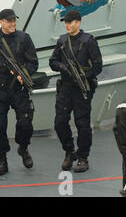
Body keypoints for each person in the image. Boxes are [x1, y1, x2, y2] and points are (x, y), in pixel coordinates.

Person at [49, 10, 103, 173]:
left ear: (78, 23)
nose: (67, 25)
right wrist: (63, 68)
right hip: (65, 88)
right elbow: (53, 61)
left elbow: (98, 66)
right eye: (65, 22)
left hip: (82, 89)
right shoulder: (62, 41)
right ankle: (69, 151)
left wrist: (83, 76)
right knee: (59, 122)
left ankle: (82, 158)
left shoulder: (89, 42)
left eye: (70, 22)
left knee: (82, 125)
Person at [0, 9, 38, 176]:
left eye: (14, 20)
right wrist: (1, 66)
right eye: (8, 21)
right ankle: (2, 159)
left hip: (19, 89)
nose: (12, 23)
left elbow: (33, 62)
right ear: (1, 22)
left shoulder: (24, 38)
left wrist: (24, 74)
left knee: (26, 124)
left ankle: (23, 148)